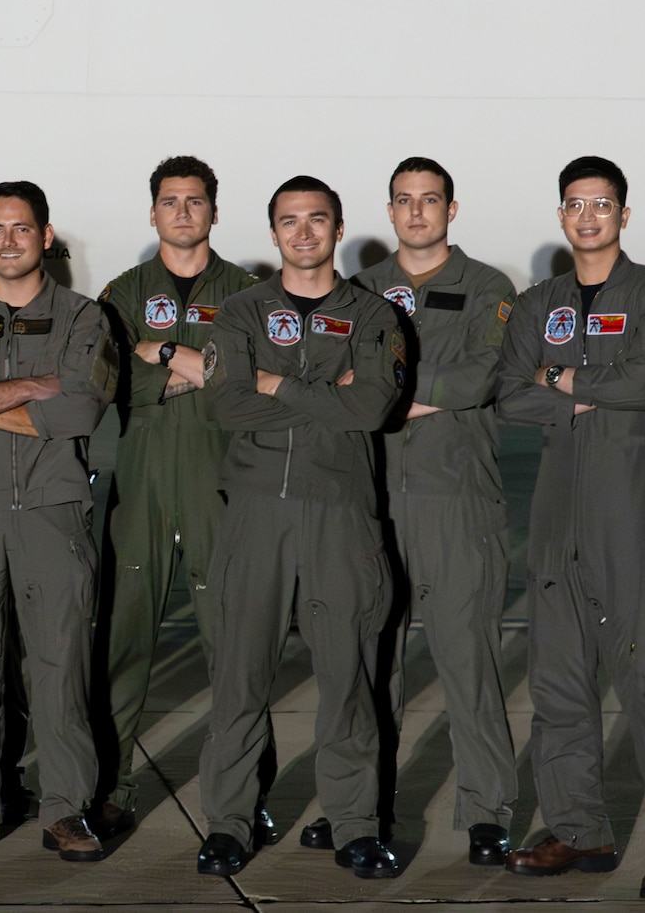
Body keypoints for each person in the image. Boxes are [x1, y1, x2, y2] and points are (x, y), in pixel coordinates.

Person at [495, 157, 645, 900]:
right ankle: (579, 827)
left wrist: (558, 378)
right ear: (560, 215)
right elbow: (505, 392)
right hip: (554, 512)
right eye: (575, 204)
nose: (588, 216)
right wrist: (571, 394)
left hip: (626, 511)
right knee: (557, 681)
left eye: (602, 204)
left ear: (623, 213)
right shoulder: (536, 300)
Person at [195, 176, 405, 881]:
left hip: (339, 512)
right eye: (290, 221)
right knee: (239, 676)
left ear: (339, 227)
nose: (304, 232)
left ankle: (356, 825)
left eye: (317, 219)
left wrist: (274, 383)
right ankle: (227, 821)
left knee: (347, 676)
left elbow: (372, 406)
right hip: (255, 511)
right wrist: (324, 396)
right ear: (273, 231)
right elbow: (225, 404)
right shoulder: (241, 313)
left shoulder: (375, 317)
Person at [0, 181, 117, 863]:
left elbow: (81, 410)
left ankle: (66, 807)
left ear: (46, 236)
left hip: (55, 508)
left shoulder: (82, 317)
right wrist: (31, 388)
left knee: (59, 663)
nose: (9, 241)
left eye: (23, 228)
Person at [350, 157, 519, 865]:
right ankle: (366, 806)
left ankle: (486, 810)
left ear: (452, 209)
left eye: (430, 200)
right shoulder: (359, 290)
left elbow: (489, 370)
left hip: (457, 497)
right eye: (404, 200)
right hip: (373, 497)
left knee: (466, 659)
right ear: (389, 210)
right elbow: (336, 371)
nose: (416, 212)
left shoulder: (486, 287)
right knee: (372, 660)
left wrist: (391, 392)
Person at [93, 157, 256, 837]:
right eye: (170, 201)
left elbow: (251, 379)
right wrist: (201, 365)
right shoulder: (121, 292)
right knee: (121, 645)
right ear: (152, 212)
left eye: (196, 201)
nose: (183, 212)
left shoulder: (249, 292)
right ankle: (108, 787)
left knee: (236, 652)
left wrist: (160, 352)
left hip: (222, 486)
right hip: (141, 487)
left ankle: (240, 801)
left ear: (215, 212)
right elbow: (107, 380)